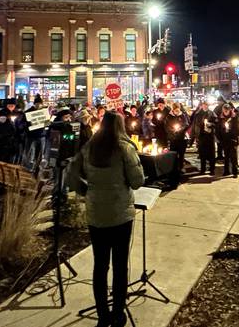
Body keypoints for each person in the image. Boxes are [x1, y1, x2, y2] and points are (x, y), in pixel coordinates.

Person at [68, 111, 144, 327]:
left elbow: (71, 175)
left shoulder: (89, 147)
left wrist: (87, 191)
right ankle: (118, 314)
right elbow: (137, 181)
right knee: (120, 266)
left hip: (96, 214)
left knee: (100, 266)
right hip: (120, 214)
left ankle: (103, 316)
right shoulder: (124, 147)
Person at [0, 98, 23, 163]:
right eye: (9, 105)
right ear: (6, 105)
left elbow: (22, 124)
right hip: (4, 140)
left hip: (15, 140)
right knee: (3, 157)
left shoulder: (19, 113)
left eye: (13, 105)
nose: (11, 106)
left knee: (14, 157)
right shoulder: (1, 113)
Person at [165, 103, 190, 180]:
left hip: (181, 138)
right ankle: (174, 168)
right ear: (173, 110)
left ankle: (181, 167)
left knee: (181, 153)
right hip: (173, 139)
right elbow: (166, 126)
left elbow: (186, 124)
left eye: (178, 110)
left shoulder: (183, 115)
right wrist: (172, 131)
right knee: (173, 154)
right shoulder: (169, 116)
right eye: (175, 110)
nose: (177, 111)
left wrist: (180, 130)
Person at [216, 103, 239, 177]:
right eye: (224, 110)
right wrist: (219, 138)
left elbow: (238, 127)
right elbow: (218, 129)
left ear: (230, 110)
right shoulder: (220, 118)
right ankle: (226, 171)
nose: (226, 111)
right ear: (223, 110)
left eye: (227, 110)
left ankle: (235, 172)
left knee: (233, 157)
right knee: (226, 156)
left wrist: (235, 136)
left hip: (232, 139)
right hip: (224, 140)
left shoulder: (234, 117)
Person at [192, 102, 217, 175]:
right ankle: (203, 169)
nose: (205, 106)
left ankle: (212, 169)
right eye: (204, 105)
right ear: (202, 106)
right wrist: (194, 136)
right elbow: (194, 125)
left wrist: (211, 124)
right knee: (202, 154)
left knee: (211, 154)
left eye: (207, 105)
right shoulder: (198, 114)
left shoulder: (212, 113)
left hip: (209, 136)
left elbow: (216, 122)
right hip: (201, 136)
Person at [23, 96, 46, 172]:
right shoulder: (28, 112)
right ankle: (27, 167)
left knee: (39, 153)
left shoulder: (43, 112)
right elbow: (24, 123)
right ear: (34, 104)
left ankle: (37, 167)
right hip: (31, 135)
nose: (38, 105)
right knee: (29, 152)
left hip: (40, 135)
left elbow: (46, 123)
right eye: (37, 103)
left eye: (40, 103)